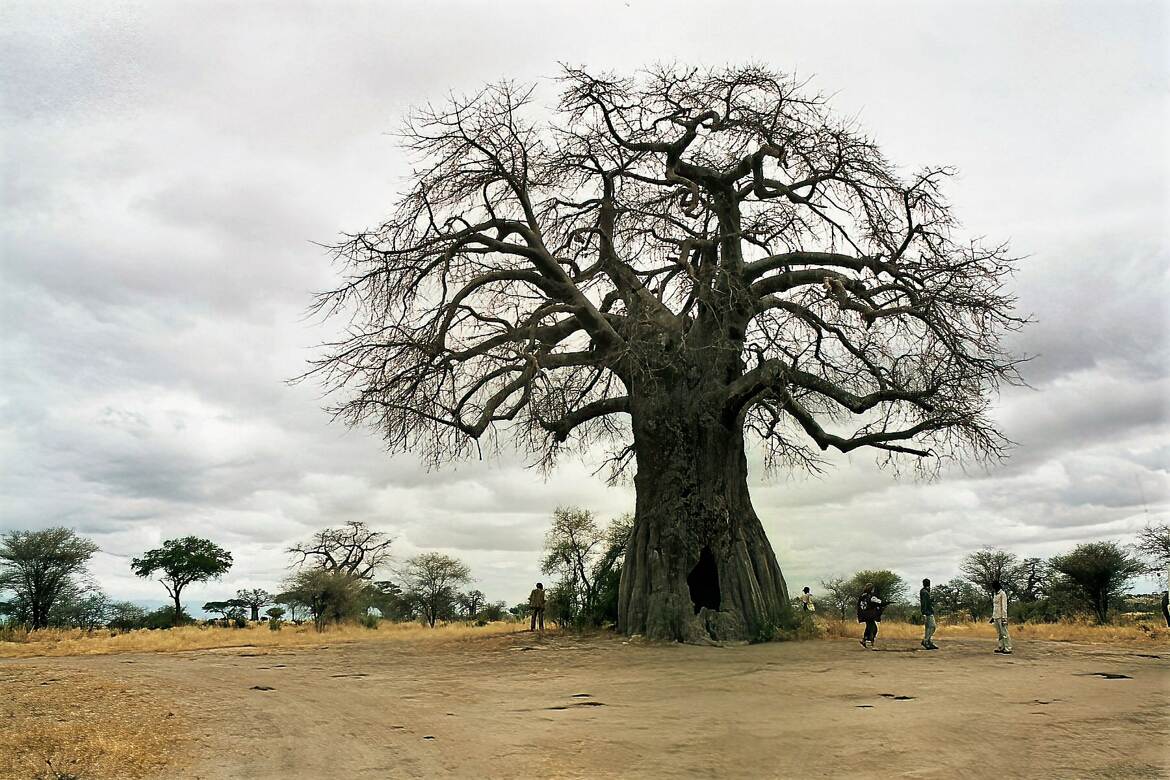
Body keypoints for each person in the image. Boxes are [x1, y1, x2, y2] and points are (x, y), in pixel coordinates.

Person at [857, 583, 883, 648]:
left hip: (863, 614)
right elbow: (879, 602)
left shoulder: (862, 596)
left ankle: (864, 640)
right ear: (871, 589)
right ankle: (871, 643)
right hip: (869, 614)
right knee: (873, 629)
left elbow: (859, 605)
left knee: (869, 627)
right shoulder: (871, 596)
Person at [990, 579, 1012, 654]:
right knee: (999, 633)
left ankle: (1008, 648)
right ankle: (1001, 647)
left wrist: (1004, 618)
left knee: (1004, 633)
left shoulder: (1002, 594)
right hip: (996, 616)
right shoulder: (995, 594)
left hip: (1001, 616)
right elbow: (995, 607)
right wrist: (993, 617)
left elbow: (1004, 607)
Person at [919, 578, 938, 650]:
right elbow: (924, 603)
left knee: (928, 628)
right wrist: (924, 612)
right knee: (932, 627)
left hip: (928, 611)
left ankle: (928, 641)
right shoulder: (924, 592)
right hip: (928, 612)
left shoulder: (924, 591)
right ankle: (926, 641)